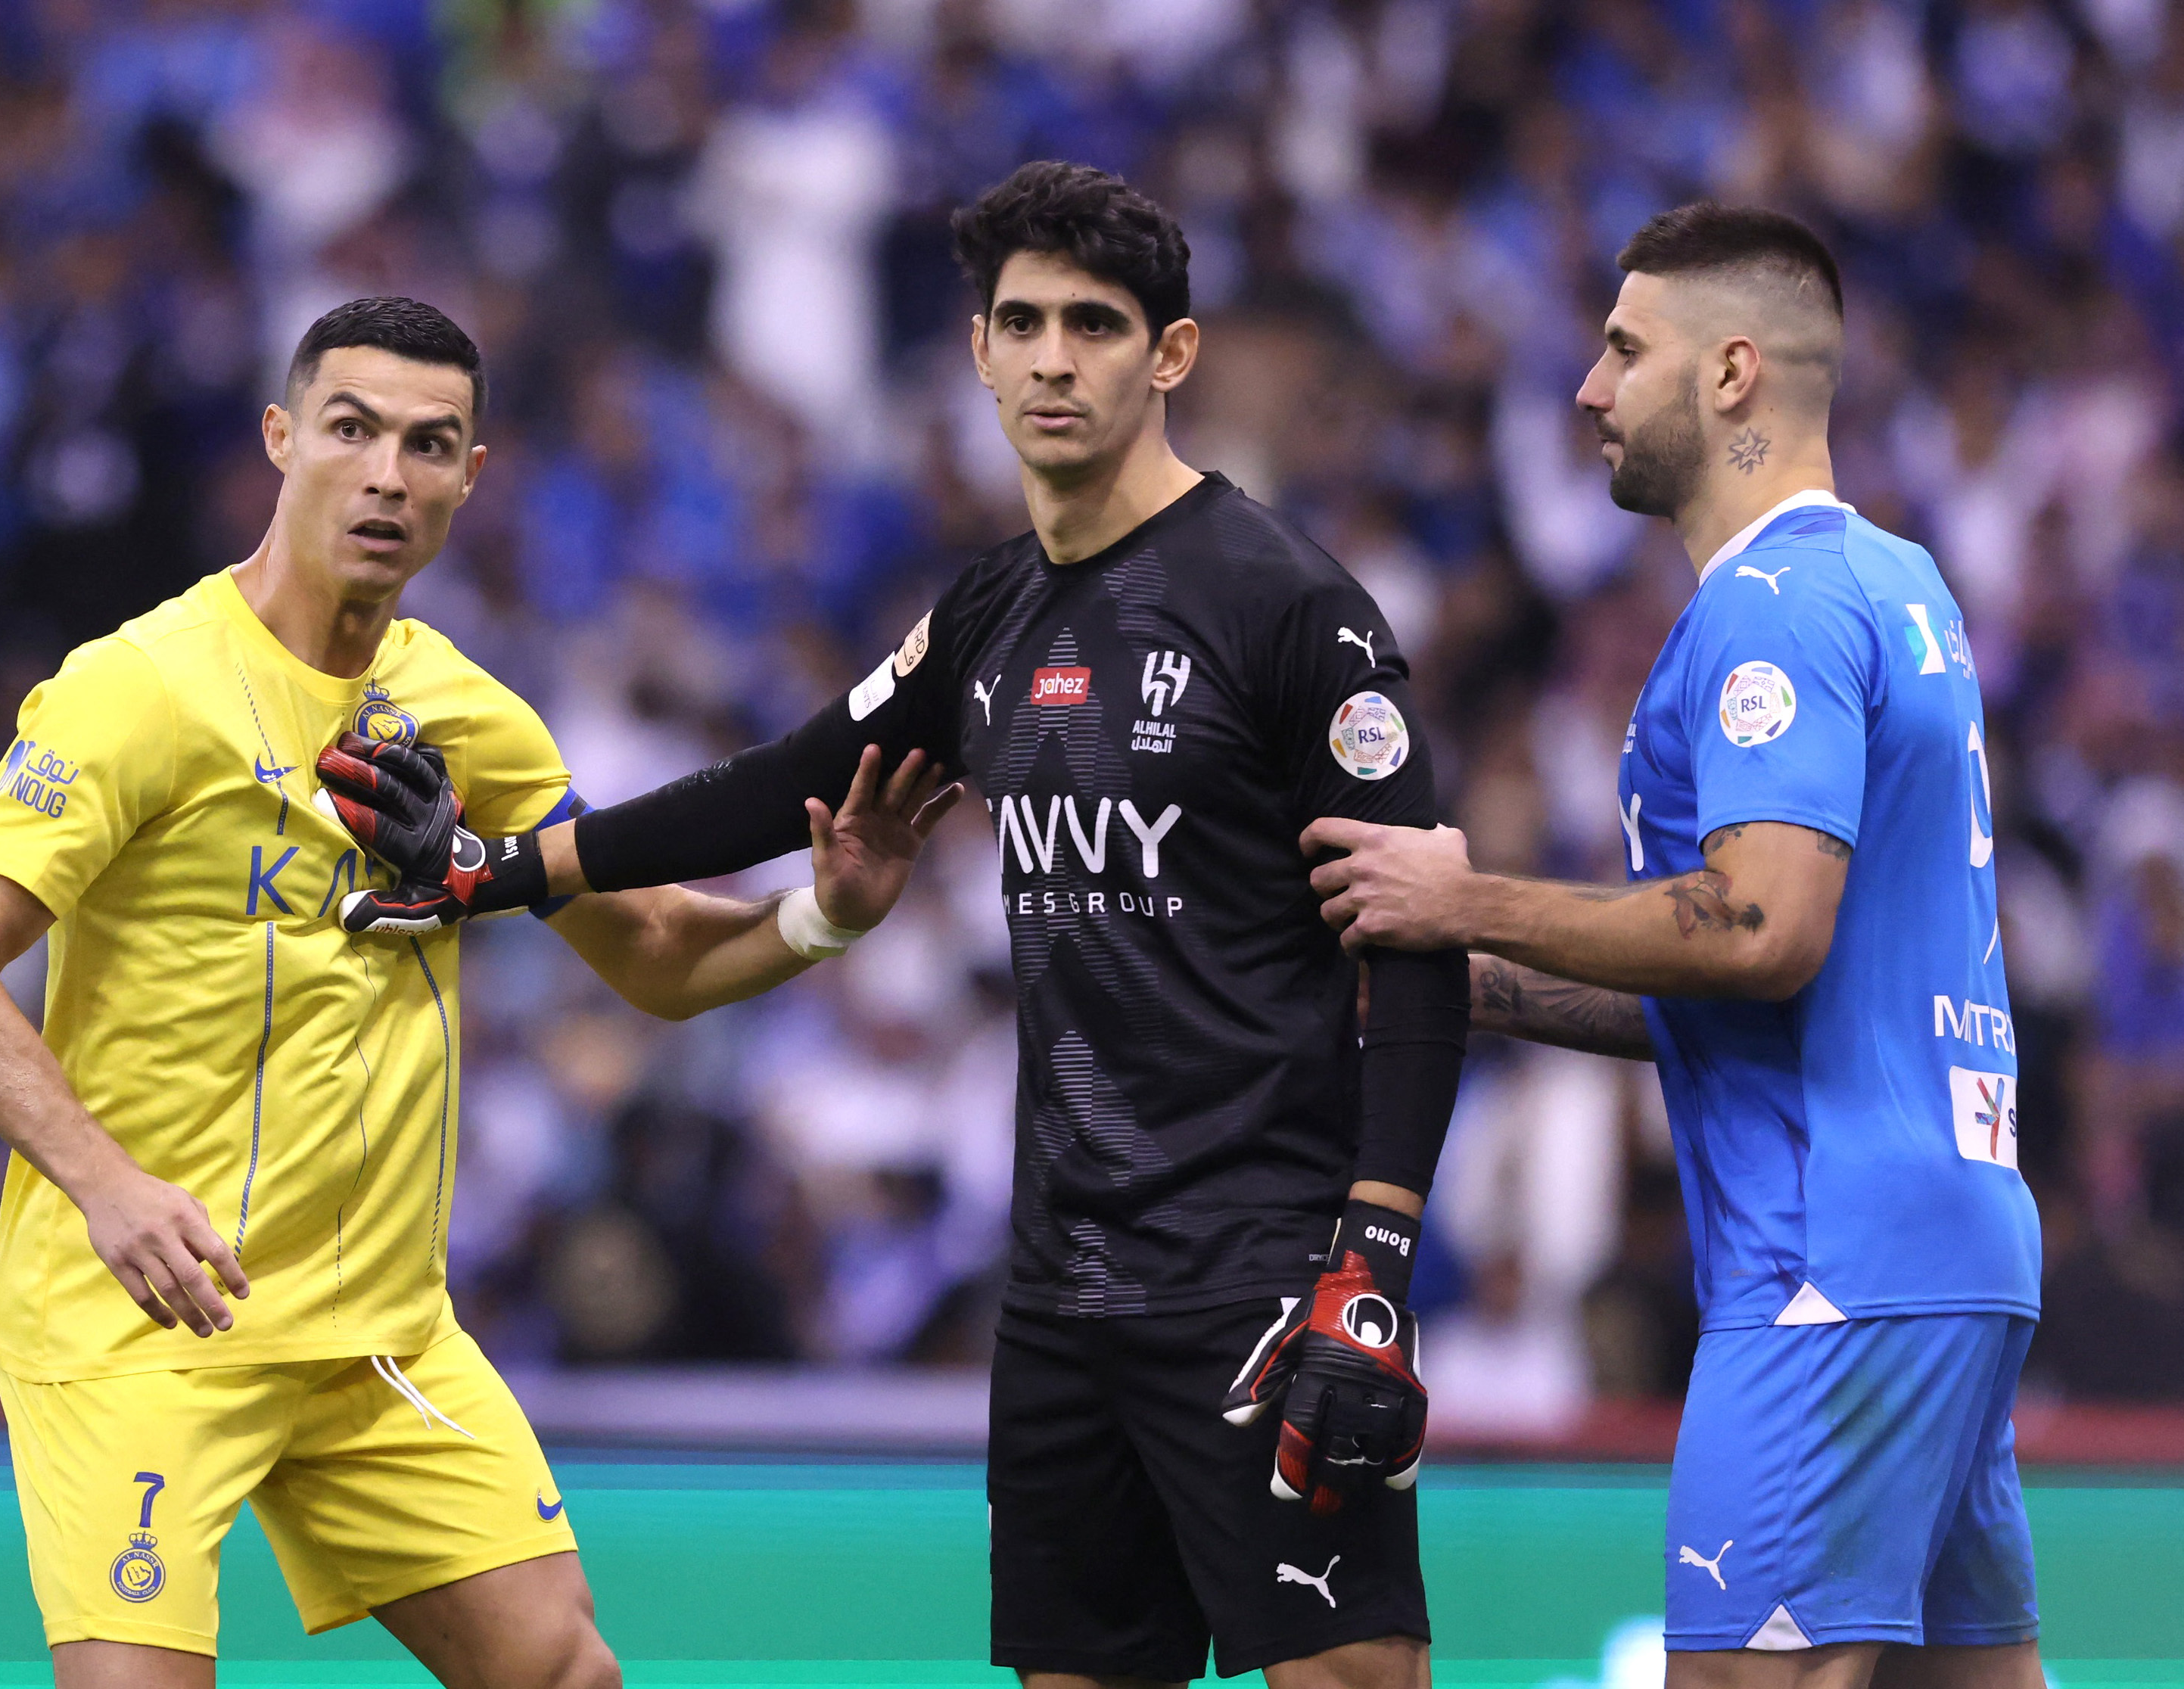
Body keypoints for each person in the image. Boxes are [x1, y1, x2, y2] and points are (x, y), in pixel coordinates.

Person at [321, 163, 1468, 1689]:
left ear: (1168, 357)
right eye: (1022, 324)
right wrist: (499, 873)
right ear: (978, 351)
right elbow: (789, 782)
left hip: (1257, 1274)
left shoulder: (1286, 610)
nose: (1054, 358)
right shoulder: (989, 614)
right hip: (1060, 1293)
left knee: (1349, 1681)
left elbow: (1419, 943)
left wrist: (1372, 1255)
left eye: (1096, 325)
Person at [0, 297, 947, 1689]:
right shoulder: (133, 694)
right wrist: (107, 1184)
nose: (387, 472)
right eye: (351, 430)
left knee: (565, 1673)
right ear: (281, 440)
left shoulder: (459, 712)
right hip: (142, 1316)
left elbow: (654, 959)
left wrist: (824, 915)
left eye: (427, 444)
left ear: (470, 477)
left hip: (370, 1336)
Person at [1303, 205, 2044, 1689]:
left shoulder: (1765, 616)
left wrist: (1464, 899)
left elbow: (1762, 928)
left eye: (1623, 349)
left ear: (1730, 376)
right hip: (1949, 1240)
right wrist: (1471, 980)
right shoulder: (1899, 586)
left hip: (1823, 1260)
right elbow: (1751, 983)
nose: (1588, 387)